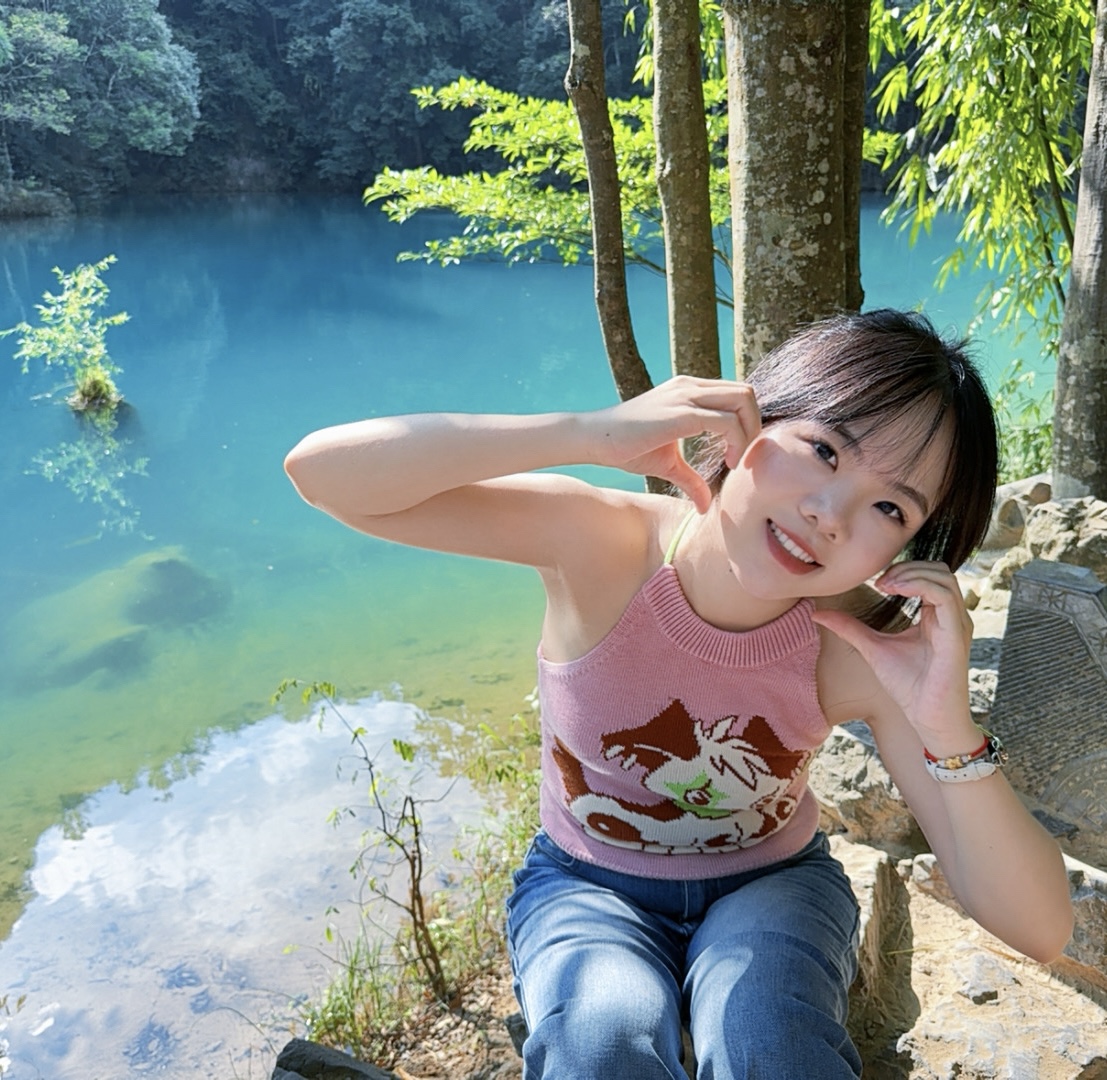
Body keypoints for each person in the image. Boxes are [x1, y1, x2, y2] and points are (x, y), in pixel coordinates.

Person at [284, 308, 1073, 1079]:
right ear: (748, 420)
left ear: (907, 548)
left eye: (889, 507)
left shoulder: (861, 644)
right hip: (584, 881)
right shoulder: (600, 542)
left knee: (768, 1036)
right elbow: (321, 475)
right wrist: (587, 432)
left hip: (772, 885)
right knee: (600, 1038)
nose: (828, 515)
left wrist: (945, 723)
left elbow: (1037, 929)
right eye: (823, 449)